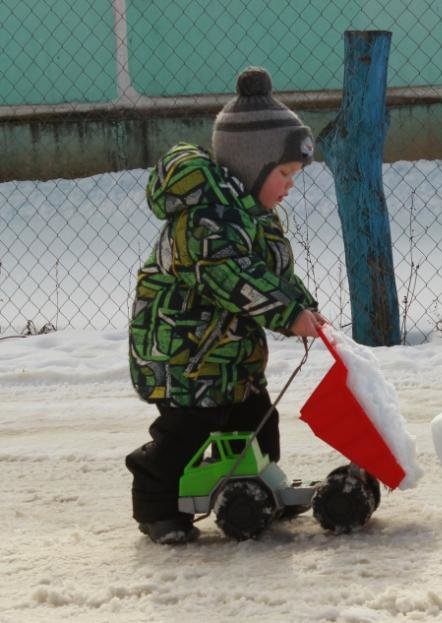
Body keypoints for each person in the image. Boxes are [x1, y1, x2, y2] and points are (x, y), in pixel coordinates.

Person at [126, 67, 326, 544]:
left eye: (293, 174)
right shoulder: (203, 221)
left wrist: (305, 307)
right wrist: (284, 316)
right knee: (189, 432)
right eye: (283, 173)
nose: (289, 185)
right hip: (182, 357)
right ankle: (156, 507)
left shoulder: (256, 219)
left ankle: (254, 491)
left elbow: (272, 275)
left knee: (258, 420)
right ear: (251, 165)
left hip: (227, 357)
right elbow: (231, 279)